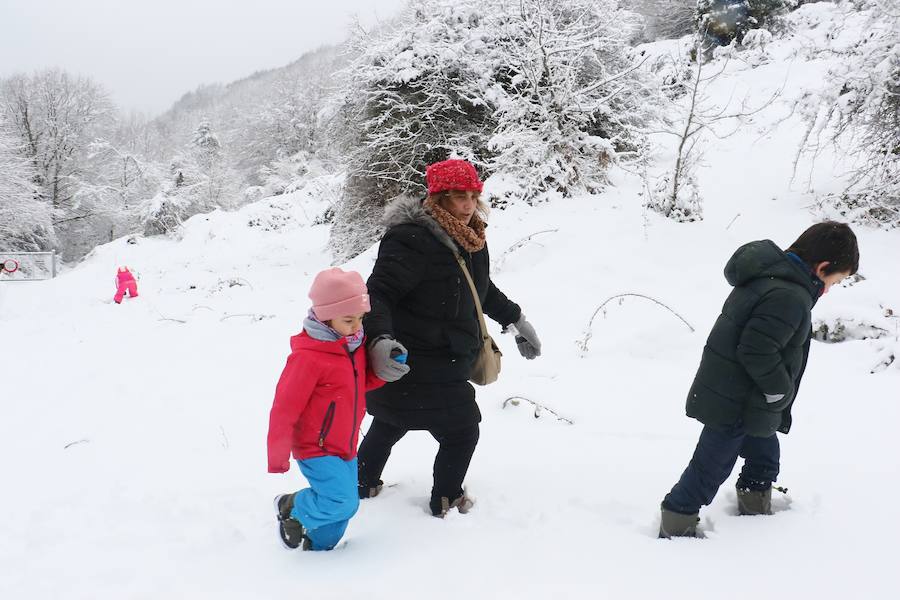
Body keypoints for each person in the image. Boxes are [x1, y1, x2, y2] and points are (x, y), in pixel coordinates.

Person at [358, 158, 542, 518]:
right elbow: (377, 294)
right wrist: (379, 341)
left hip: (447, 355)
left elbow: (480, 289)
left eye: (473, 195)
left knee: (391, 421)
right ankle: (447, 497)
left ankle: (361, 484)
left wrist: (516, 319)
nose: (468, 204)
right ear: (438, 198)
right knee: (461, 431)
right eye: (459, 197)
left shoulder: (471, 236)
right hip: (415, 357)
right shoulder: (411, 239)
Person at [659, 221, 860, 538]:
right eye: (836, 280)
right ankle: (678, 519)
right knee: (710, 467)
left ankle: (755, 506)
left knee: (764, 455)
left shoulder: (770, 278)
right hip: (738, 400)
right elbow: (756, 350)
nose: (831, 288)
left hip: (745, 396)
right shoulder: (789, 297)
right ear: (822, 268)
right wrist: (779, 391)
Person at [267, 268, 386, 551]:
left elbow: (356, 385)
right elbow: (284, 408)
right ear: (325, 316)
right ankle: (292, 507)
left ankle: (319, 553)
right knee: (341, 500)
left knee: (346, 507)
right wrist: (278, 455)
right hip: (315, 446)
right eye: (349, 319)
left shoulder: (352, 346)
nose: (357, 326)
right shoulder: (308, 358)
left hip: (346, 444)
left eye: (360, 318)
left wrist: (383, 372)